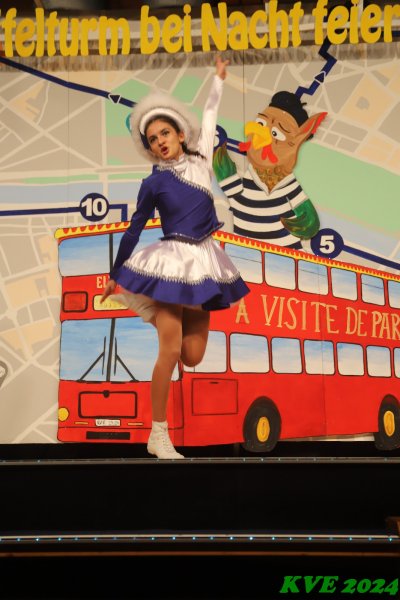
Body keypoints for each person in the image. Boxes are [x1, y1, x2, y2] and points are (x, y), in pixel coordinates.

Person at [101, 56, 249, 459]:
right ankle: (158, 433)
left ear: (181, 134)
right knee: (169, 350)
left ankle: (153, 315)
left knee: (192, 356)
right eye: (152, 139)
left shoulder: (202, 161)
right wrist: (115, 273)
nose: (160, 141)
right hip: (171, 264)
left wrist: (218, 80)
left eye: (165, 132)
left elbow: (211, 113)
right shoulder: (154, 183)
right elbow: (134, 229)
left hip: (205, 264)